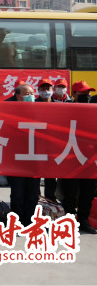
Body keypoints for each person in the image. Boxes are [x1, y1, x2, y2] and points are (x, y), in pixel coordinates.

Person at [60, 81, 97, 234]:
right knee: (69, 193)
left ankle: (83, 220)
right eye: (82, 93)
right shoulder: (64, 109)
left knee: (88, 192)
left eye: (88, 93)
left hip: (90, 158)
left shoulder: (94, 109)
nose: (86, 96)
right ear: (74, 94)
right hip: (71, 156)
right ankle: (69, 221)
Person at [7, 83, 41, 226]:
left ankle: (30, 220)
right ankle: (17, 221)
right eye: (27, 94)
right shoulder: (8, 109)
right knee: (18, 193)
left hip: (34, 157)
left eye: (32, 93)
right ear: (18, 96)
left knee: (33, 193)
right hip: (16, 158)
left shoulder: (40, 109)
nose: (30, 96)